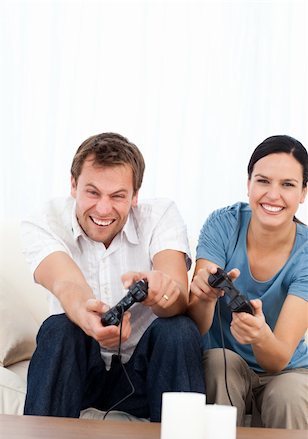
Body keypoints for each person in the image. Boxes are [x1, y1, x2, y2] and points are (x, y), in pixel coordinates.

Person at [22, 132, 205, 421]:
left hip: (145, 375)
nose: (104, 208)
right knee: (59, 328)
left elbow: (177, 291)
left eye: (118, 196)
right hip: (79, 373)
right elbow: (66, 282)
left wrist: (161, 294)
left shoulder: (160, 215)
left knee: (179, 329)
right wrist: (88, 316)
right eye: (92, 192)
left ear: (134, 196)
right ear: (73, 186)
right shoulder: (45, 220)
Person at [188, 135, 308, 429]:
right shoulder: (223, 224)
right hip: (226, 362)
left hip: (286, 369)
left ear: (304, 192)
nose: (273, 195)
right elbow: (197, 325)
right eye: (263, 181)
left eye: (288, 185)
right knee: (218, 364)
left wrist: (260, 336)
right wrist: (204, 295)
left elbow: (278, 358)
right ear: (248, 183)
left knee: (289, 394)